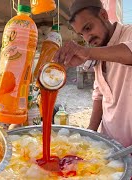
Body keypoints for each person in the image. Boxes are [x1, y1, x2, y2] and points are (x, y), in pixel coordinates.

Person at [53, 0, 132, 147]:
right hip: (107, 145)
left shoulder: (128, 33)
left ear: (103, 15)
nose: (87, 38)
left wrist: (87, 52)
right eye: (81, 34)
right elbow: (99, 96)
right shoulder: (99, 52)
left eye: (88, 28)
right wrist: (90, 133)